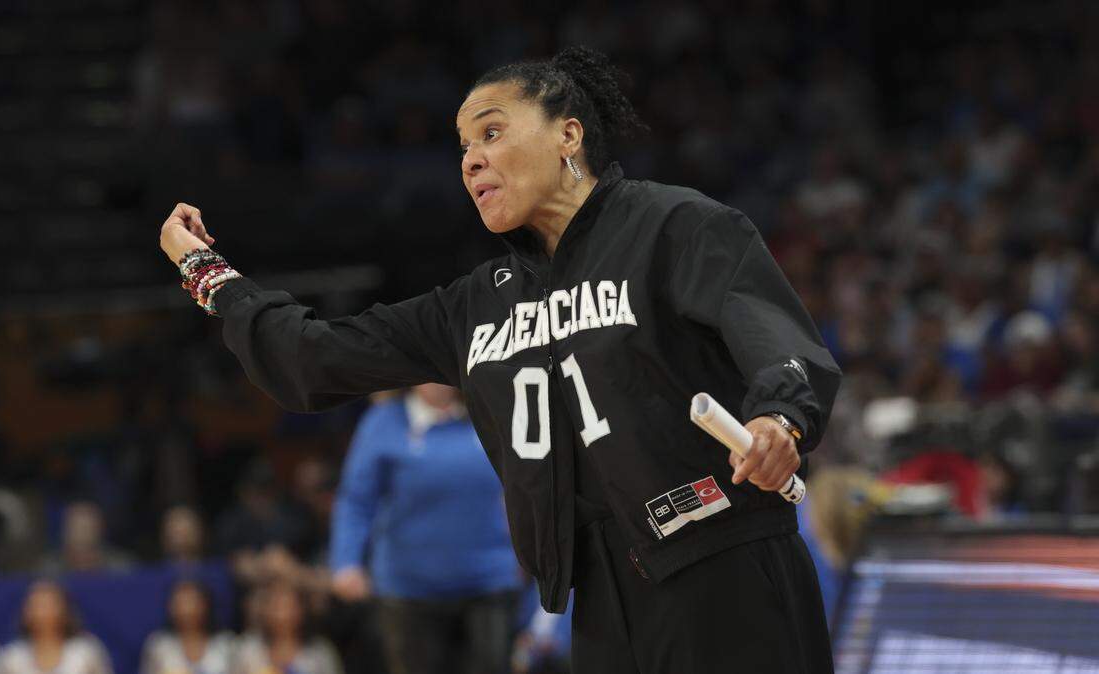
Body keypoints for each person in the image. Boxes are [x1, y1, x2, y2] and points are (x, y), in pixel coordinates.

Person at [159, 46, 841, 673]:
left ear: (568, 134)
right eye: (463, 147)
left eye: (491, 132)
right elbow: (317, 359)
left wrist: (781, 418)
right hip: (601, 603)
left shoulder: (674, 226)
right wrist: (207, 275)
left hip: (726, 569)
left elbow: (773, 335)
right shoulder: (477, 305)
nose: (470, 160)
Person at [328, 383, 522, 674]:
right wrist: (346, 561)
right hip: (409, 588)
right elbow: (356, 499)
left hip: (488, 581)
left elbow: (523, 485)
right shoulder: (382, 423)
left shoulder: (489, 414)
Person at [0, 581, 112, 674]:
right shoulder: (13, 656)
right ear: (25, 613)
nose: (43, 612)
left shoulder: (86, 651)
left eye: (50, 604)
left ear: (65, 609)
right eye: (37, 605)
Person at [229, 582, 341, 674]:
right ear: (264, 611)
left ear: (303, 611)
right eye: (276, 606)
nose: (282, 615)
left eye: (289, 606)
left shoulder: (320, 653)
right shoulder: (248, 649)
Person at [140, 579, 235, 674]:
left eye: (193, 602)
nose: (187, 610)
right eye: (180, 603)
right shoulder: (158, 645)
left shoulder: (226, 643)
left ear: (207, 605)